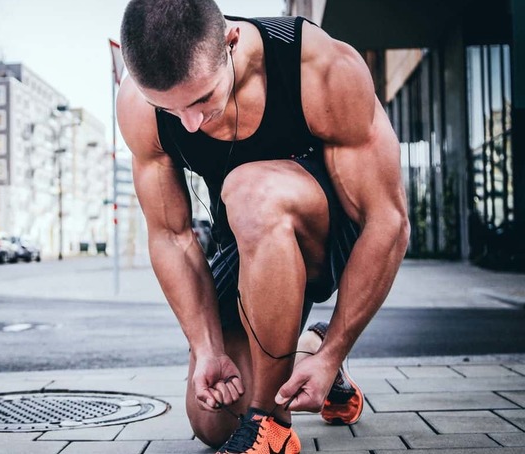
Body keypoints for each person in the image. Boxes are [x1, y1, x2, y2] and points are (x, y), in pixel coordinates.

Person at [116, 1, 410, 453]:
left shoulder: (318, 65)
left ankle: (270, 424)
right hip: (246, 242)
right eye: (170, 109)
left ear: (231, 43)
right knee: (213, 422)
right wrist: (207, 348)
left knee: (251, 190)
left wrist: (336, 350)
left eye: (200, 99)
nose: (189, 123)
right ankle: (303, 352)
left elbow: (387, 220)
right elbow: (171, 237)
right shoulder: (137, 104)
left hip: (329, 235)